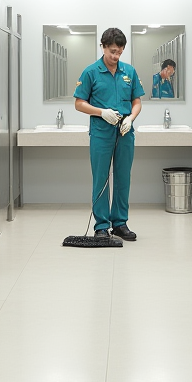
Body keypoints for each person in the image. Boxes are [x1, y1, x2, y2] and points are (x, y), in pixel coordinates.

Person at [73, 27, 144, 240]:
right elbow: (79, 103)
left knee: (123, 178)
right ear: (102, 46)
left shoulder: (129, 72)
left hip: (124, 132)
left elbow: (137, 101)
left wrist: (131, 118)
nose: (115, 56)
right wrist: (101, 112)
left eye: (119, 52)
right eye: (112, 51)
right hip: (101, 132)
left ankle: (120, 223)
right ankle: (101, 225)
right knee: (101, 179)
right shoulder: (90, 72)